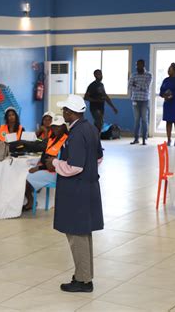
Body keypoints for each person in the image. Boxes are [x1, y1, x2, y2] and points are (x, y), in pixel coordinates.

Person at [45, 94, 103, 293]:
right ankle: (85, 275)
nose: (63, 113)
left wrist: (54, 163)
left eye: (65, 111)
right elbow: (98, 158)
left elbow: (75, 167)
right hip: (88, 188)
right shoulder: (91, 129)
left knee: (76, 235)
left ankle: (83, 280)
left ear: (71, 112)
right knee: (84, 233)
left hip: (77, 191)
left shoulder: (77, 133)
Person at [24, 114, 68, 211]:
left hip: (57, 173)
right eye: (54, 126)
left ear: (63, 127)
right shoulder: (51, 139)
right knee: (25, 173)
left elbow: (57, 163)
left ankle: (31, 201)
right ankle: (34, 192)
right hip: (47, 168)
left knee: (25, 178)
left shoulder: (66, 141)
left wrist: (38, 168)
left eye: (58, 126)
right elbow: (39, 144)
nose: (56, 129)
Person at [128, 59, 153, 145]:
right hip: (135, 99)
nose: (138, 66)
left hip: (144, 100)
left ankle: (144, 139)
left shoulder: (149, 75)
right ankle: (136, 139)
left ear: (143, 65)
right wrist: (139, 86)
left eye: (139, 64)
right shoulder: (133, 75)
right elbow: (130, 86)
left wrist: (136, 85)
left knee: (144, 120)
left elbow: (146, 87)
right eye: (137, 65)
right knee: (136, 120)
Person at [159, 63, 175, 146]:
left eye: (170, 69)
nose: (168, 71)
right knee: (168, 121)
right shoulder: (166, 80)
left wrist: (171, 95)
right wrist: (164, 95)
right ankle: (169, 139)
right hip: (167, 103)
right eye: (168, 69)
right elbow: (161, 90)